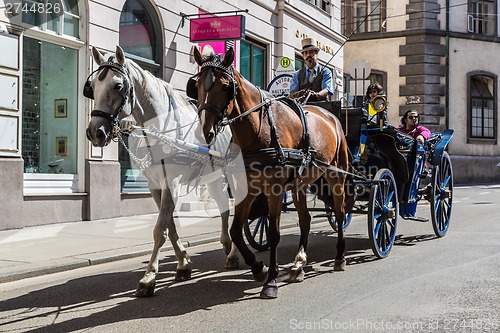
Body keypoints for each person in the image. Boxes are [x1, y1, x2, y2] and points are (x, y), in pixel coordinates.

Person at [289, 37, 333, 102]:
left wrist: (316, 95)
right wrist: (298, 94)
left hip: (321, 105)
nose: (308, 55)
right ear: (303, 56)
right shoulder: (297, 74)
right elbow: (292, 94)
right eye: (306, 53)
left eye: (311, 52)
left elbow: (326, 89)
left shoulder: (325, 71)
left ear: (316, 54)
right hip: (302, 106)